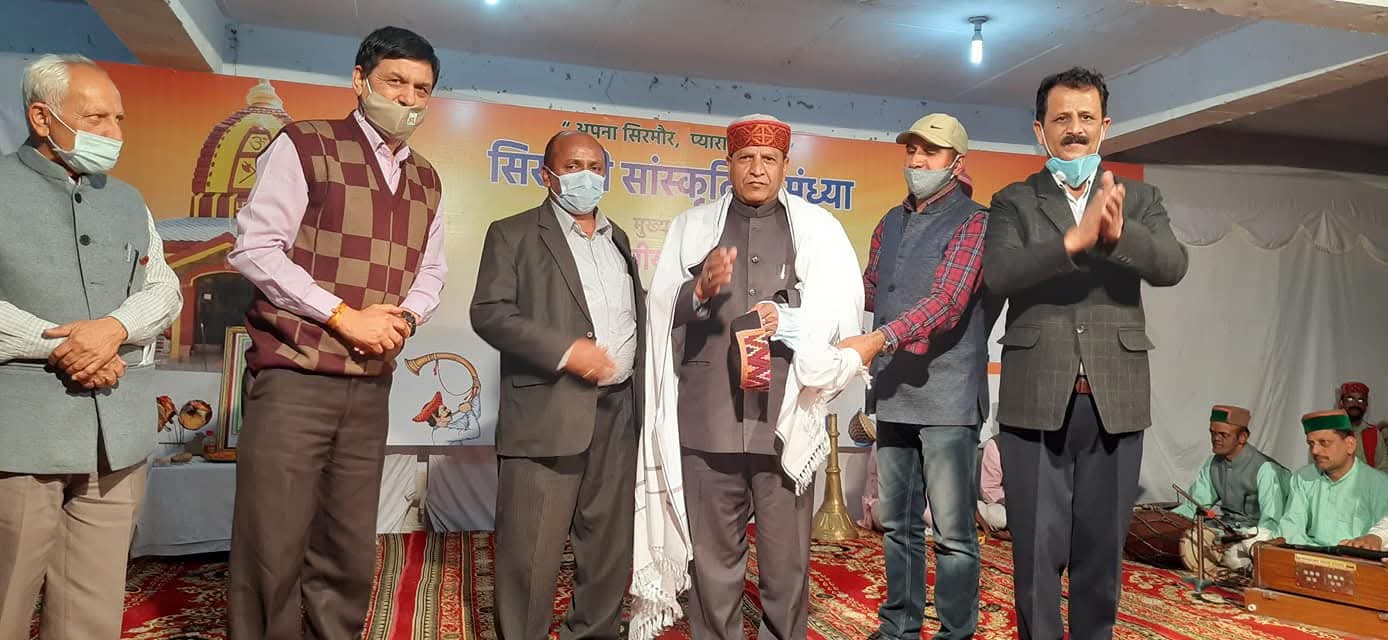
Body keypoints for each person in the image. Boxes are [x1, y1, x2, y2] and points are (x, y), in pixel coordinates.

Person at [226, 26, 447, 640]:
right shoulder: (305, 144)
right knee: (271, 542)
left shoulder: (427, 178)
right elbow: (256, 249)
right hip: (294, 376)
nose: (408, 99)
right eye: (395, 82)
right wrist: (345, 316)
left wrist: (405, 319)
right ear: (359, 80)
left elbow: (432, 271)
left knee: (348, 547)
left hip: (370, 383)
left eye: (421, 89)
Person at [629, 114, 865, 640]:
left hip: (784, 421)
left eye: (769, 159)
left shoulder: (818, 231)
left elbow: (840, 316)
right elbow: (660, 311)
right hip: (708, 421)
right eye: (746, 158)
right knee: (713, 566)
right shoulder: (692, 228)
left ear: (785, 165)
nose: (757, 168)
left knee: (786, 566)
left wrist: (793, 314)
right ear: (728, 163)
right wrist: (699, 290)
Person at [981, 67, 1188, 640]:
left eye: (1086, 118)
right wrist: (1073, 241)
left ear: (1105, 125)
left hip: (1115, 397)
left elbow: (1172, 265)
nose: (1075, 129)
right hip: (1034, 397)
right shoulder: (1014, 201)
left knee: (1101, 553)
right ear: (1040, 130)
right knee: (1036, 553)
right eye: (1062, 119)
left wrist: (1119, 237)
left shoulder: (1139, 198)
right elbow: (999, 273)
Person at [0, 54, 181, 639]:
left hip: (116, 443)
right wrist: (63, 346)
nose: (114, 134)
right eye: (96, 118)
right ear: (42, 118)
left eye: (119, 119)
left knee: (92, 613)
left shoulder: (128, 200)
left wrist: (113, 331)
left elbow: (164, 289)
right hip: (19, 439)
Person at [471, 130, 644, 639]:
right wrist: (568, 351)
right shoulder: (513, 234)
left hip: (619, 412)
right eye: (573, 167)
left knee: (609, 547)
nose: (586, 176)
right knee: (530, 553)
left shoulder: (619, 240)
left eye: (595, 167)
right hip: (548, 411)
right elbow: (490, 313)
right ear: (546, 175)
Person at [837, 112, 989, 640]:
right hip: (894, 393)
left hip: (948, 399)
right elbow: (870, 290)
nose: (919, 161)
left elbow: (947, 302)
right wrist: (812, 301)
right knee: (897, 526)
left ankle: (955, 633)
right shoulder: (890, 222)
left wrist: (879, 339)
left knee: (953, 534)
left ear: (957, 163)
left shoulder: (975, 222)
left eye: (931, 152)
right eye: (913, 150)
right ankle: (898, 626)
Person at [1171, 404, 1288, 570]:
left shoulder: (1266, 469)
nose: (1216, 439)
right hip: (1226, 530)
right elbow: (1194, 506)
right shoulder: (1213, 464)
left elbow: (1271, 523)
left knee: (1238, 555)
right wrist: (1167, 520)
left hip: (1255, 535)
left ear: (1243, 437)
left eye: (1223, 434)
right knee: (1187, 539)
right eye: (1213, 433)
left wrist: (1241, 540)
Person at [1276, 410, 1388, 547]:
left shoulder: (1379, 484)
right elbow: (1291, 529)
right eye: (1311, 444)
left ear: (1350, 445)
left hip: (1356, 557)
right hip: (1310, 554)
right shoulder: (1303, 478)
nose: (1315, 451)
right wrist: (1319, 555)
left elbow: (1383, 534)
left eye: (1324, 442)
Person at [1338, 381, 1386, 469]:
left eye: (1361, 400)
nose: (1356, 404)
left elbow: (1383, 468)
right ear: (1341, 403)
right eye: (1350, 399)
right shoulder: (1330, 431)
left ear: (1366, 405)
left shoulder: (1374, 433)